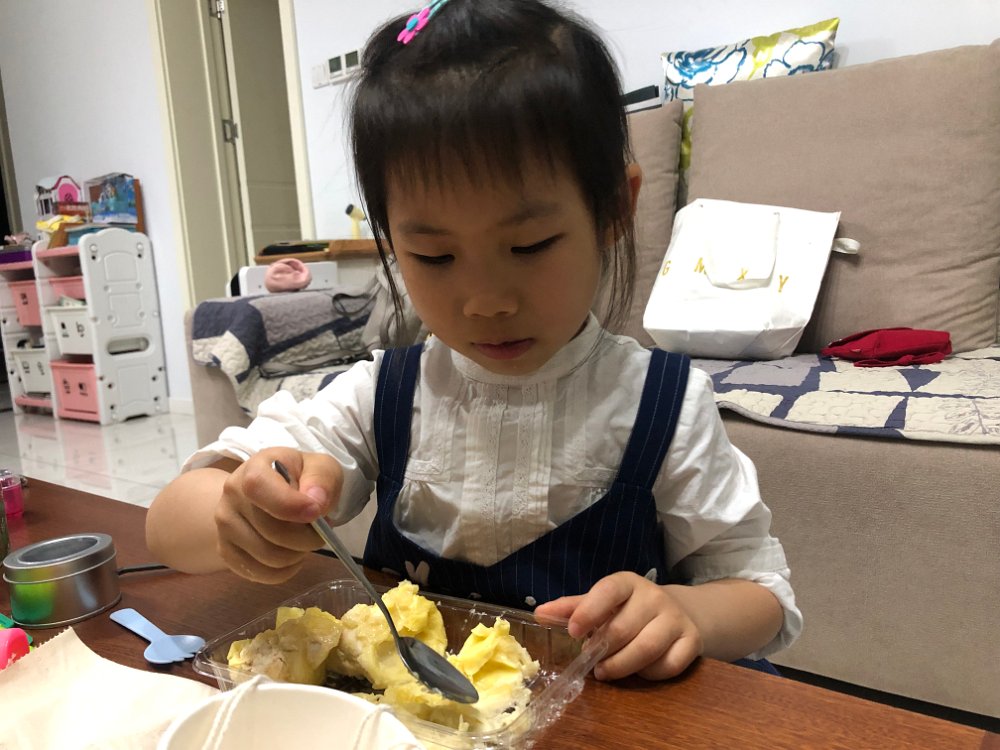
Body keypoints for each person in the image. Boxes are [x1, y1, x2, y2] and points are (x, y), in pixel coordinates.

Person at [147, 0, 801, 682]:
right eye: (434, 256)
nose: (486, 301)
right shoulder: (382, 396)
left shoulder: (663, 405)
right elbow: (168, 528)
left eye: (530, 245)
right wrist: (238, 510)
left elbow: (762, 595)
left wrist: (688, 614)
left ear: (614, 207)